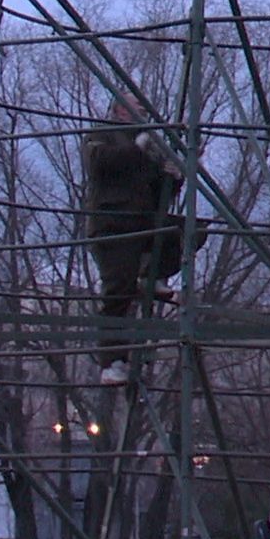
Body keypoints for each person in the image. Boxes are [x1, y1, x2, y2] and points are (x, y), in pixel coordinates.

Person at [81, 95, 187, 386]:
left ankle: (153, 275)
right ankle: (112, 361)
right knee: (117, 290)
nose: (142, 112)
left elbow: (157, 189)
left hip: (140, 220)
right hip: (112, 224)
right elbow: (100, 163)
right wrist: (137, 149)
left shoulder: (145, 146)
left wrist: (176, 175)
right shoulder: (102, 134)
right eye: (136, 108)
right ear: (118, 110)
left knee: (183, 231)